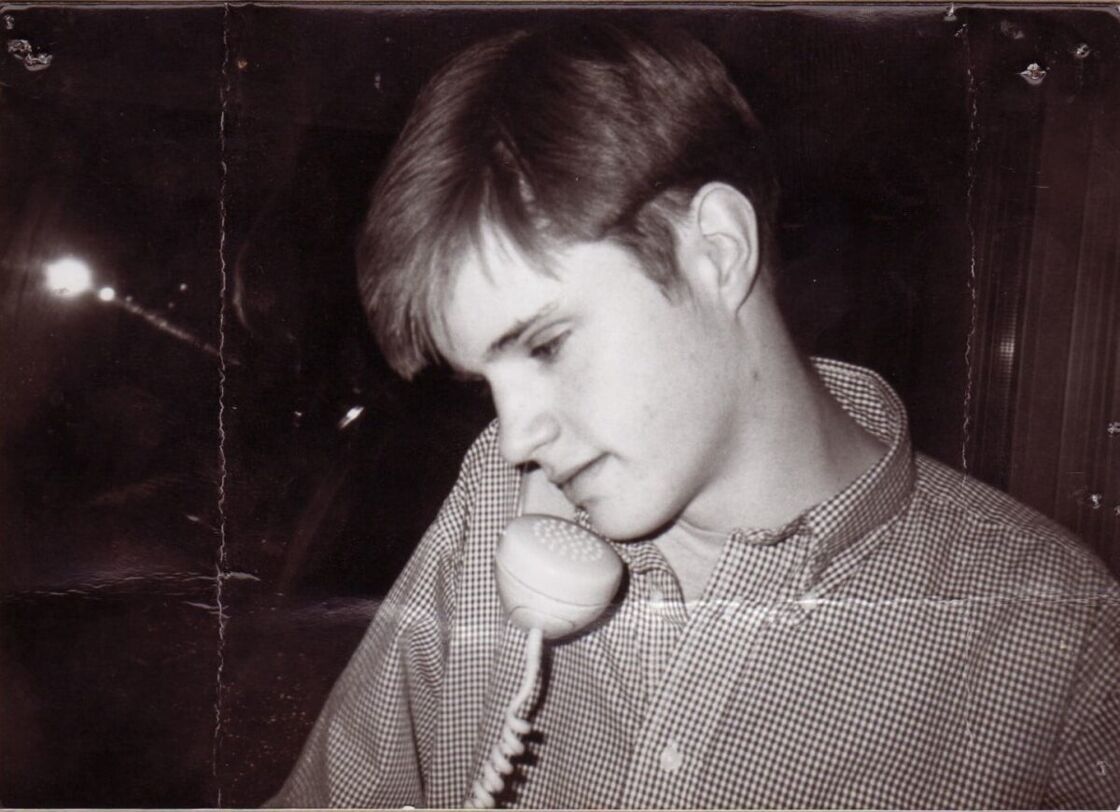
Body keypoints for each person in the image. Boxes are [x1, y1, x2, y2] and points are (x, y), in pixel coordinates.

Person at [269, 22, 1120, 809]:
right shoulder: (497, 499)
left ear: (714, 248)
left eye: (549, 345)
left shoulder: (1059, 632)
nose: (519, 434)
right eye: (483, 378)